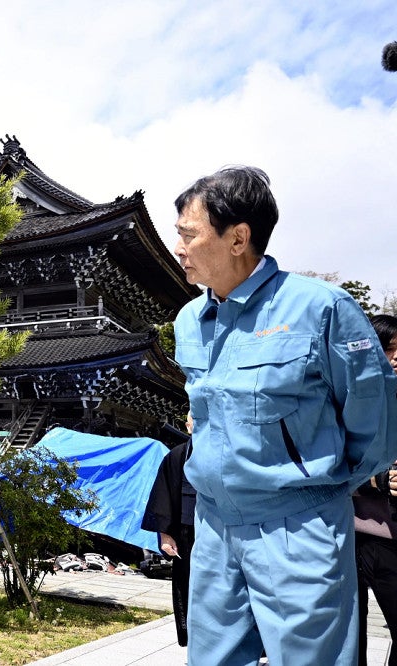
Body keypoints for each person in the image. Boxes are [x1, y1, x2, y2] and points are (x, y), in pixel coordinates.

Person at [171, 166, 397, 665]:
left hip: (299, 527)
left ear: (238, 238)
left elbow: (377, 425)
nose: (179, 247)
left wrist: (316, 485)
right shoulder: (189, 320)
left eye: (188, 234)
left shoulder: (322, 309)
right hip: (214, 526)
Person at [354, 313, 397, 666]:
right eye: (389, 349)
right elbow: (324, 467)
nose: (396, 358)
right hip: (345, 535)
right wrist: (378, 481)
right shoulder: (345, 402)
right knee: (348, 636)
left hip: (391, 540)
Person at [141, 415, 196, 647]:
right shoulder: (178, 455)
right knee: (187, 585)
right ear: (188, 427)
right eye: (194, 420)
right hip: (187, 533)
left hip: (224, 531)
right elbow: (163, 495)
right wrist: (164, 534)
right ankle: (192, 639)